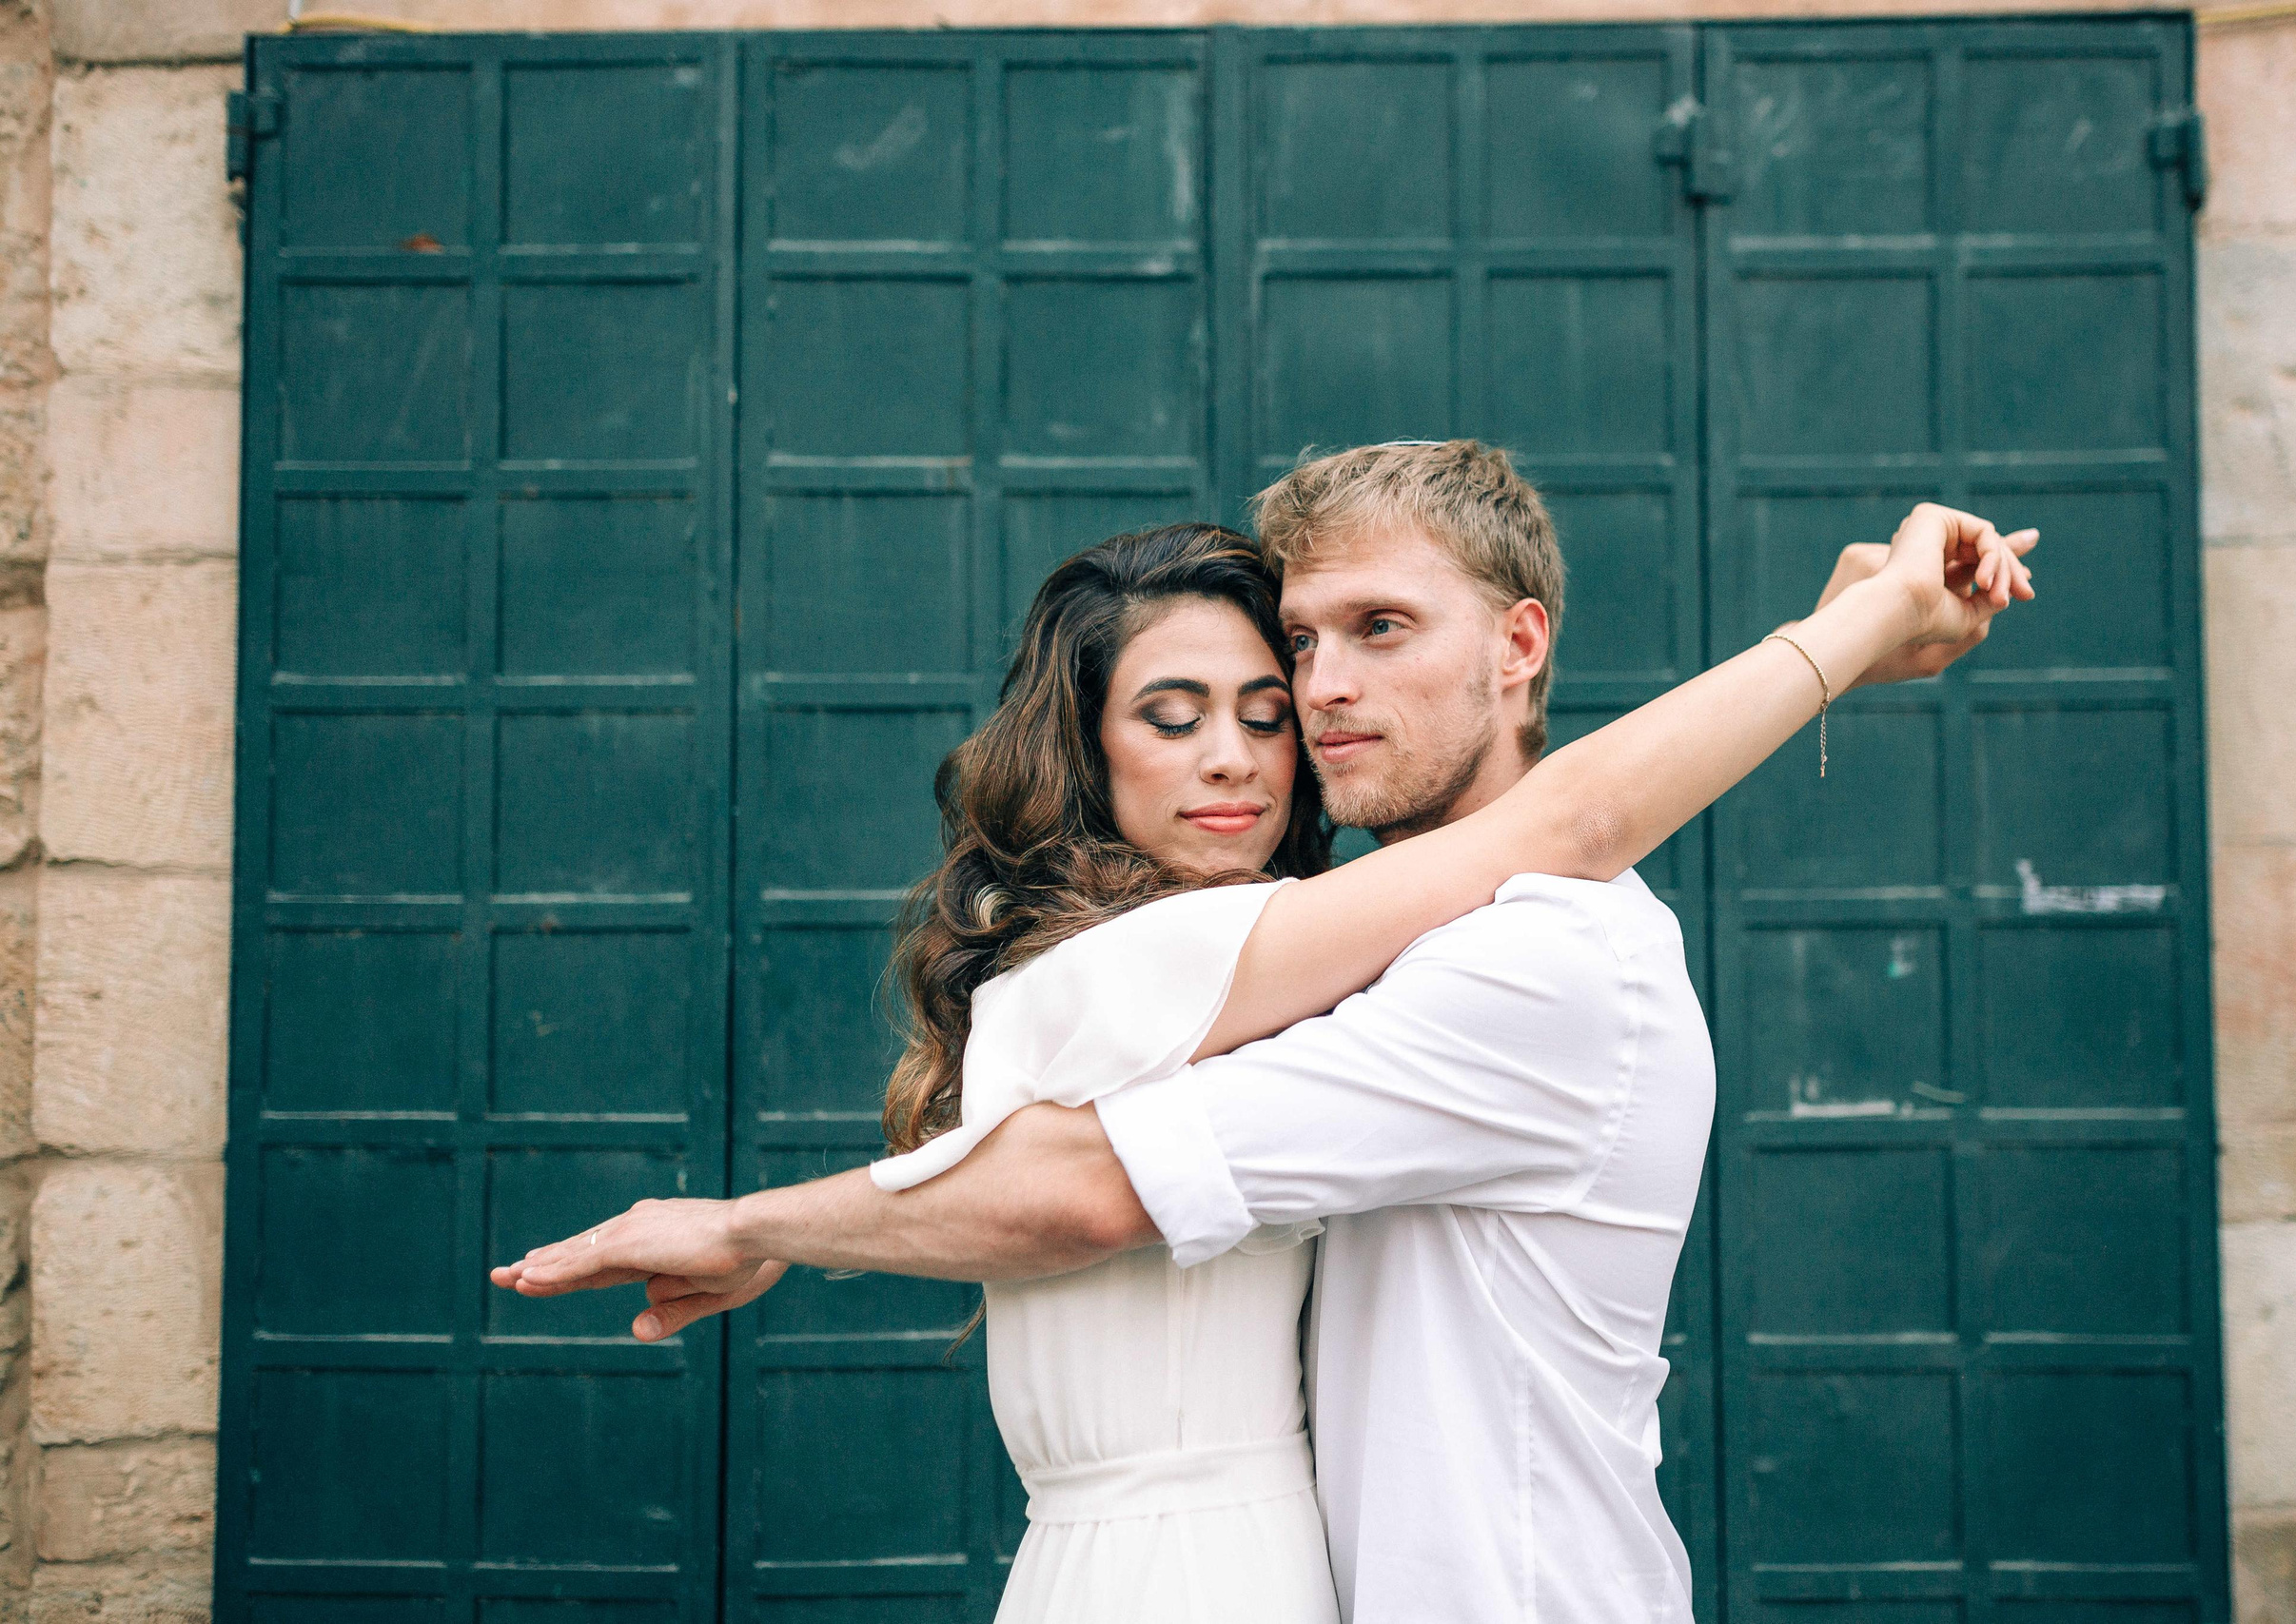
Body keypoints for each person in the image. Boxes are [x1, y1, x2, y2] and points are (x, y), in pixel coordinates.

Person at [494, 440, 2034, 1624]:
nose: (1321, 695)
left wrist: (1860, 630)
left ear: (1521, 646)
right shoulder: (1287, 957)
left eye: (1377, 628)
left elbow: (1573, 818)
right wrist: (1853, 631)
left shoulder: (1542, 959)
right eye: (1304, 644)